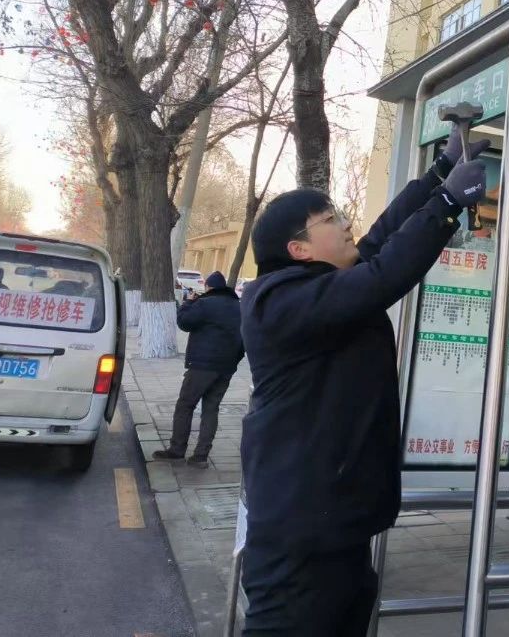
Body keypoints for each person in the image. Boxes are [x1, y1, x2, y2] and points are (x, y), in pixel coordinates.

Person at [239, 136, 489, 637]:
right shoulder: (279, 304)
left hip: (335, 521)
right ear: (298, 249)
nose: (346, 224)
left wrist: (438, 172)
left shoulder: (319, 287)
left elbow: (380, 241)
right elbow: (382, 275)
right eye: (330, 220)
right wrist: (445, 204)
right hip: (300, 532)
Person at [153, 270, 244, 468]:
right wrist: (233, 362)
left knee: (185, 405)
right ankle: (201, 456)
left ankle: (177, 450)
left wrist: (188, 303)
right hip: (226, 368)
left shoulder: (205, 304)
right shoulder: (239, 307)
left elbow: (184, 323)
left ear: (208, 287)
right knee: (211, 409)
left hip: (202, 366)